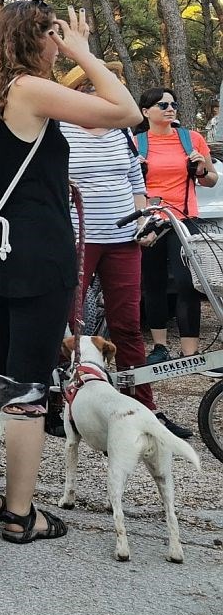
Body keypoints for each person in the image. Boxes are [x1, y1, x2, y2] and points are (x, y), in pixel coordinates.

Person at [0, 2, 139, 543]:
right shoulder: (28, 89)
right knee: (29, 388)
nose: (60, 47)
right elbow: (125, 110)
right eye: (54, 37)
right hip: (36, 260)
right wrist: (85, 52)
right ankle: (19, 512)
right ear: (36, 39)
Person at [59, 66, 194, 439]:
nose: (97, 92)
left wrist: (142, 222)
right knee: (69, 322)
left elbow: (136, 181)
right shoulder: (60, 130)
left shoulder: (120, 131)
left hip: (123, 241)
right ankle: (62, 405)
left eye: (101, 86)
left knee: (129, 325)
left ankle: (143, 407)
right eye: (87, 87)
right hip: (78, 239)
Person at [135, 87, 219, 415]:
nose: (170, 108)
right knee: (153, 283)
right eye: (162, 104)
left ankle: (190, 353)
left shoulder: (191, 138)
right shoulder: (137, 142)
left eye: (173, 104)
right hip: (152, 219)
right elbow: (128, 180)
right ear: (146, 112)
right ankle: (158, 347)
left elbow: (210, 179)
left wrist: (201, 167)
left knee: (187, 283)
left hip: (185, 217)